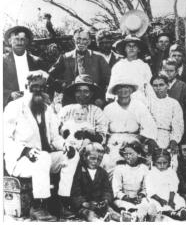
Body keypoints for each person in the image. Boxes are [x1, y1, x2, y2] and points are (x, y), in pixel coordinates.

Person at [3, 71, 75, 221]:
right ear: (26, 86)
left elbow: (55, 137)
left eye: (41, 87)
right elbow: (4, 137)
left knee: (71, 156)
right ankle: (38, 206)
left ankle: (63, 201)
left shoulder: (47, 109)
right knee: (42, 157)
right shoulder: (14, 107)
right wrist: (25, 150)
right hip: (20, 161)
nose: (38, 90)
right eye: (34, 86)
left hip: (44, 158)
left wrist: (65, 145)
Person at [102, 75, 157, 178]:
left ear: (131, 90)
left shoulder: (139, 106)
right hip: (114, 142)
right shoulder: (108, 108)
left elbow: (149, 126)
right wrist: (104, 143)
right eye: (120, 88)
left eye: (127, 87)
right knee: (110, 163)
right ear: (115, 91)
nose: (123, 90)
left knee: (137, 164)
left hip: (134, 141)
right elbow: (103, 129)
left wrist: (139, 141)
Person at [48, 27, 111, 107]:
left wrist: (101, 98)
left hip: (94, 100)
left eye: (84, 39)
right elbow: (50, 77)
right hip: (70, 101)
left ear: (89, 41)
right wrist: (63, 86)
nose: (81, 42)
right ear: (73, 40)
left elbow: (108, 81)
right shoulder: (65, 57)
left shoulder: (99, 57)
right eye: (78, 39)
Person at [71, 142, 119, 221]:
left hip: (100, 205)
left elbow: (107, 190)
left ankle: (123, 219)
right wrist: (85, 204)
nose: (95, 162)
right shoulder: (79, 172)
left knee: (112, 212)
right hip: (85, 206)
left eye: (99, 159)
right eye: (92, 158)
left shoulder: (103, 173)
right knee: (90, 215)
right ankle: (97, 221)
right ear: (85, 157)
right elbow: (75, 193)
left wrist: (105, 200)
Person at [112, 142, 157, 221]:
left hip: (138, 198)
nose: (128, 156)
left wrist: (140, 195)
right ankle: (132, 215)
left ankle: (142, 215)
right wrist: (126, 198)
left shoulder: (144, 168)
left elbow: (146, 188)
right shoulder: (119, 168)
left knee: (147, 205)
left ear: (138, 153)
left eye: (131, 154)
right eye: (126, 154)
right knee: (125, 207)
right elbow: (116, 190)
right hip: (123, 199)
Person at [59, 75, 108, 145]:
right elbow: (56, 131)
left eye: (86, 91)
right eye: (78, 91)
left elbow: (102, 137)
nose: (82, 94)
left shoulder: (97, 112)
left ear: (91, 94)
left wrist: (87, 135)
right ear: (74, 93)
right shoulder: (66, 110)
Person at [3, 26, 45, 107]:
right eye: (16, 39)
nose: (19, 42)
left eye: (22, 39)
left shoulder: (37, 61)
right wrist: (9, 95)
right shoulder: (3, 61)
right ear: (9, 41)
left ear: (27, 41)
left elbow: (46, 84)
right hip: (11, 106)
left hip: (34, 105)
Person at [148, 74, 184, 170]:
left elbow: (178, 124)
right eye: (155, 85)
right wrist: (150, 139)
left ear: (167, 85)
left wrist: (174, 141)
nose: (158, 88)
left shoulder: (174, 103)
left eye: (161, 85)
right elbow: (144, 124)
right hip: (151, 138)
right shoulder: (147, 102)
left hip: (167, 137)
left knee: (171, 165)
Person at [107, 35, 154, 106]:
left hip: (139, 99)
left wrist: (150, 103)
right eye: (129, 46)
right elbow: (112, 84)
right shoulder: (118, 65)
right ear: (125, 49)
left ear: (138, 49)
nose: (131, 48)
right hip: (121, 99)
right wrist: (110, 98)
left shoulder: (144, 66)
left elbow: (149, 87)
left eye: (134, 46)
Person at [145, 149, 186, 220]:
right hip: (156, 196)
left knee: (180, 200)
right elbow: (150, 190)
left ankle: (181, 211)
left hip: (170, 195)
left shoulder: (171, 172)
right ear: (154, 163)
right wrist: (160, 200)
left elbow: (173, 186)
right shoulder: (151, 173)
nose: (162, 165)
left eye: (165, 163)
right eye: (159, 163)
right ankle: (168, 213)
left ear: (169, 162)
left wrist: (171, 200)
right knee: (154, 204)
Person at [162, 58, 186, 126]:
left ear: (176, 72)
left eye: (171, 71)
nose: (168, 73)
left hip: (177, 122)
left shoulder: (182, 86)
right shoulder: (158, 85)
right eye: (166, 70)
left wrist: (183, 122)